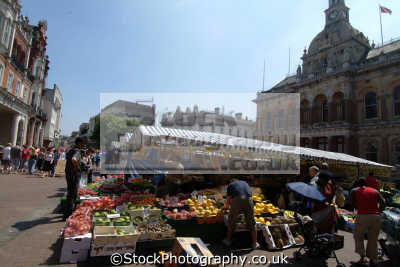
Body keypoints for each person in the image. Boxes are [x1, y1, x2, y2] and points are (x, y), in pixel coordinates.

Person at [350, 178, 385, 267]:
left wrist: (360, 206)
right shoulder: (375, 191)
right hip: (376, 217)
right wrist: (378, 211)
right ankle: (373, 260)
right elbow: (383, 202)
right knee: (373, 239)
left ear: (357, 185)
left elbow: (352, 204)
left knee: (358, 236)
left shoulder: (354, 190)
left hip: (363, 216)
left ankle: (362, 258)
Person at [223, 179, 259, 249]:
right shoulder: (245, 182)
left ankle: (228, 240)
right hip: (249, 198)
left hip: (237, 199)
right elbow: (247, 194)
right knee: (251, 220)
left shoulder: (230, 185)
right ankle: (255, 243)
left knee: (232, 220)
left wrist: (226, 208)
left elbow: (228, 200)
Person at [64, 137, 85, 220]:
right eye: (83, 144)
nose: (83, 145)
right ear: (79, 143)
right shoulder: (77, 151)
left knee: (70, 193)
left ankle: (67, 212)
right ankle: (69, 213)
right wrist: (77, 167)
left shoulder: (71, 150)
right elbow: (74, 159)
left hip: (68, 173)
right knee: (73, 193)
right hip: (73, 174)